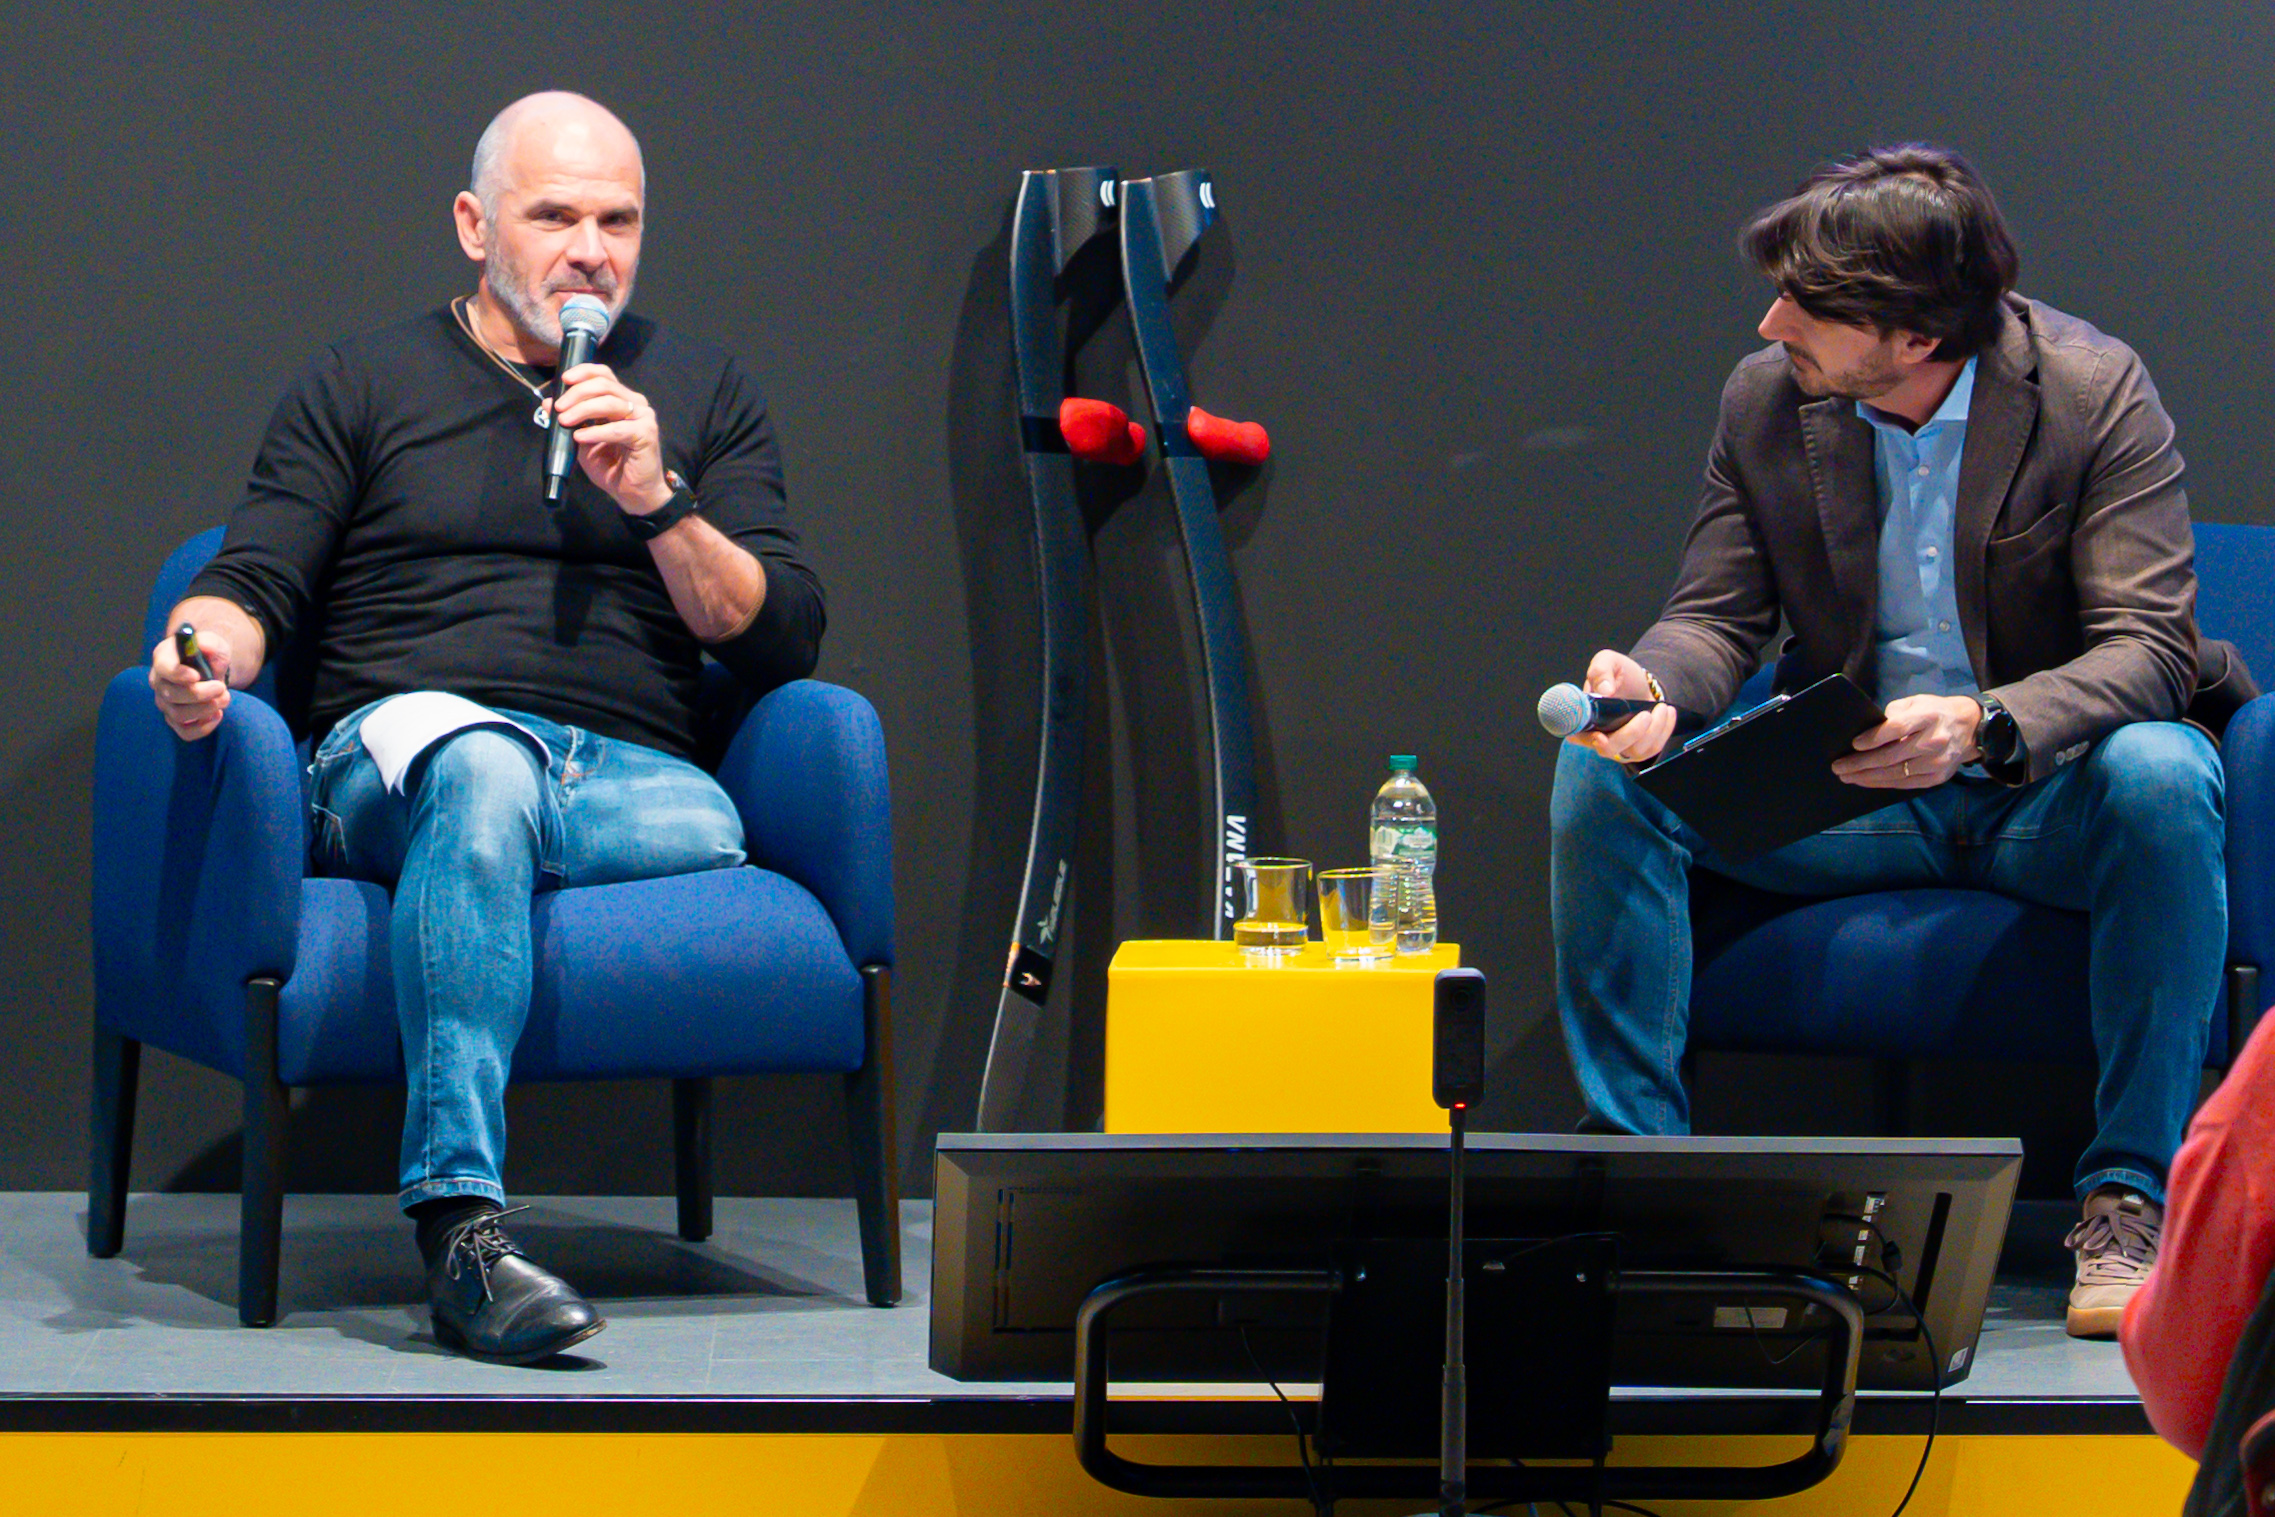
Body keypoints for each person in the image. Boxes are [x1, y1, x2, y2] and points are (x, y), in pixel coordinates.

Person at [146, 92, 824, 1362]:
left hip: (630, 784)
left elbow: (780, 636)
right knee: (479, 767)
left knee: (673, 811)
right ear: (474, 225)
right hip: (396, 753)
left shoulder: (699, 390)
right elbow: (248, 580)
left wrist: (658, 499)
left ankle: (488, 851)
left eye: (618, 221)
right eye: (554, 216)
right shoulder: (363, 381)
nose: (591, 252)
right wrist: (199, 657)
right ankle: (462, 1228)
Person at [1549, 143, 2234, 1338]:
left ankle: (2128, 1197)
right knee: (1605, 774)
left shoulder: (2091, 390)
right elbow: (1715, 614)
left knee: (2166, 769)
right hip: (1853, 788)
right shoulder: (1767, 398)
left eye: (1804, 305)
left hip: (2044, 791)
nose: (1769, 324)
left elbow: (2148, 647)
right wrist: (1652, 687)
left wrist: (1982, 721)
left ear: (1914, 334)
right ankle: (1641, 1187)